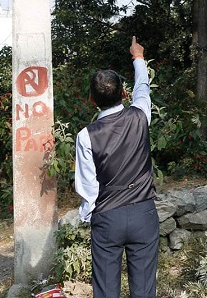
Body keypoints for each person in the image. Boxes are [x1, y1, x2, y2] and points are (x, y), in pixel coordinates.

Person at [75, 37, 158, 298]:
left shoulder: (86, 135)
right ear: (124, 93)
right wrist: (138, 57)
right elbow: (143, 87)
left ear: (91, 100)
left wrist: (93, 218)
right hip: (143, 213)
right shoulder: (140, 115)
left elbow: (88, 187)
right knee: (144, 291)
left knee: (106, 291)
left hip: (107, 218)